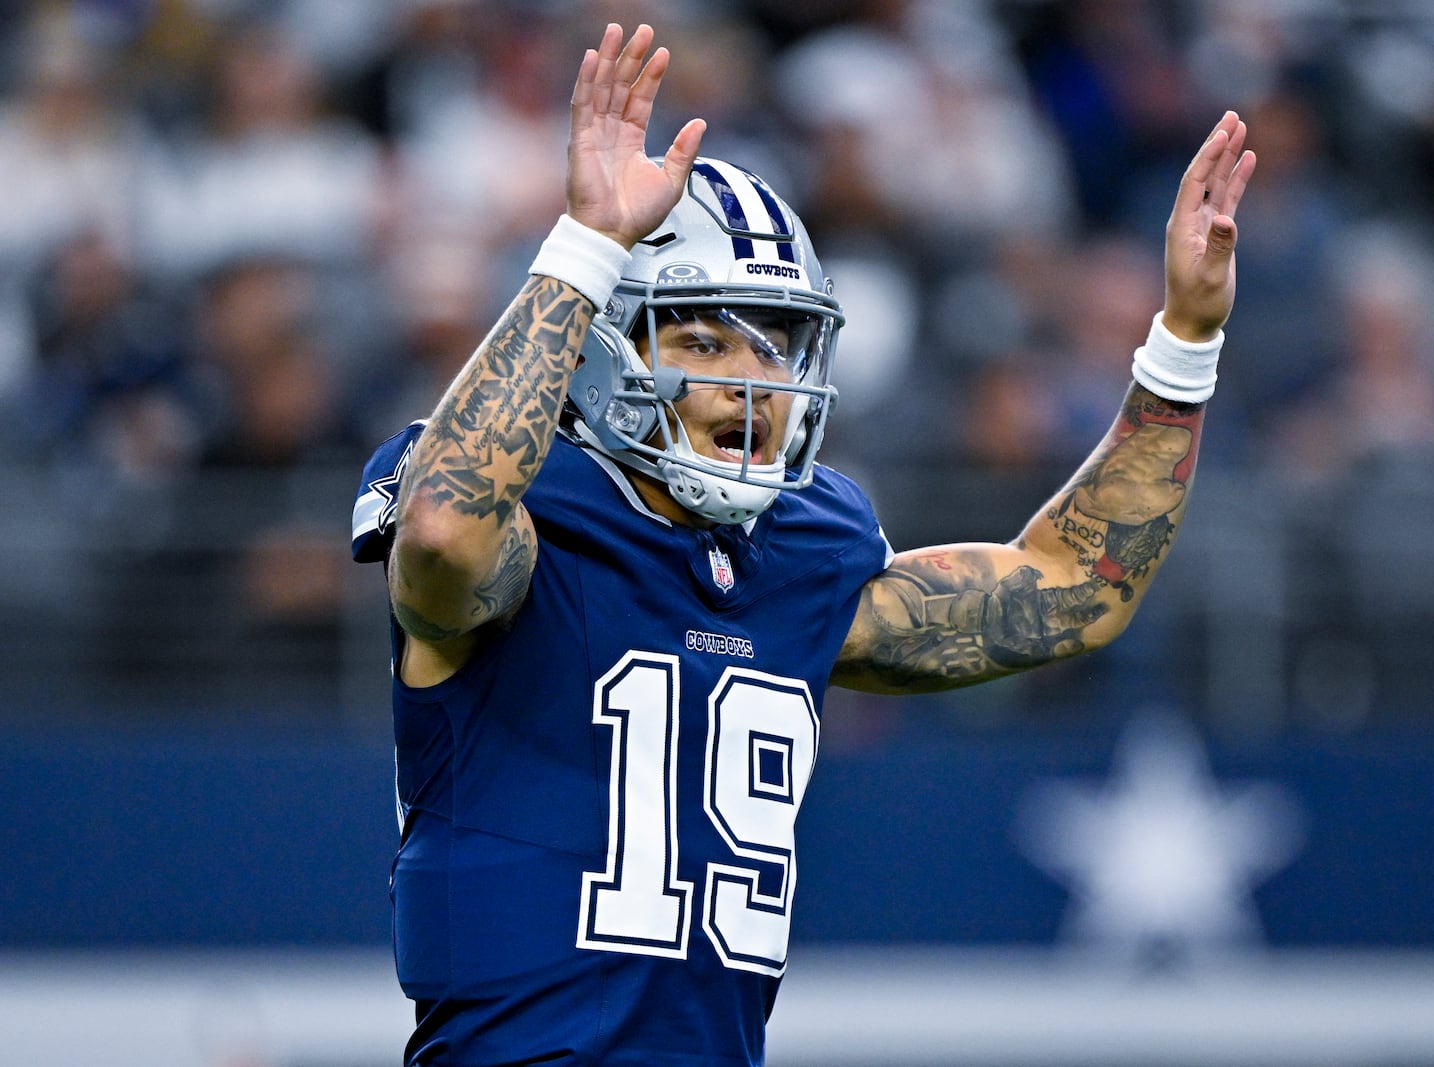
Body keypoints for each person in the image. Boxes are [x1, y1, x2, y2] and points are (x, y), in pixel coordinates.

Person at [350, 22, 1253, 1067]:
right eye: (703, 336)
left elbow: (1070, 588)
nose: (753, 380)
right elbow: (443, 529)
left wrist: (1182, 342)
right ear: (603, 354)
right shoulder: (516, 507)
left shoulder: (803, 546)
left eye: (776, 345)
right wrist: (586, 245)